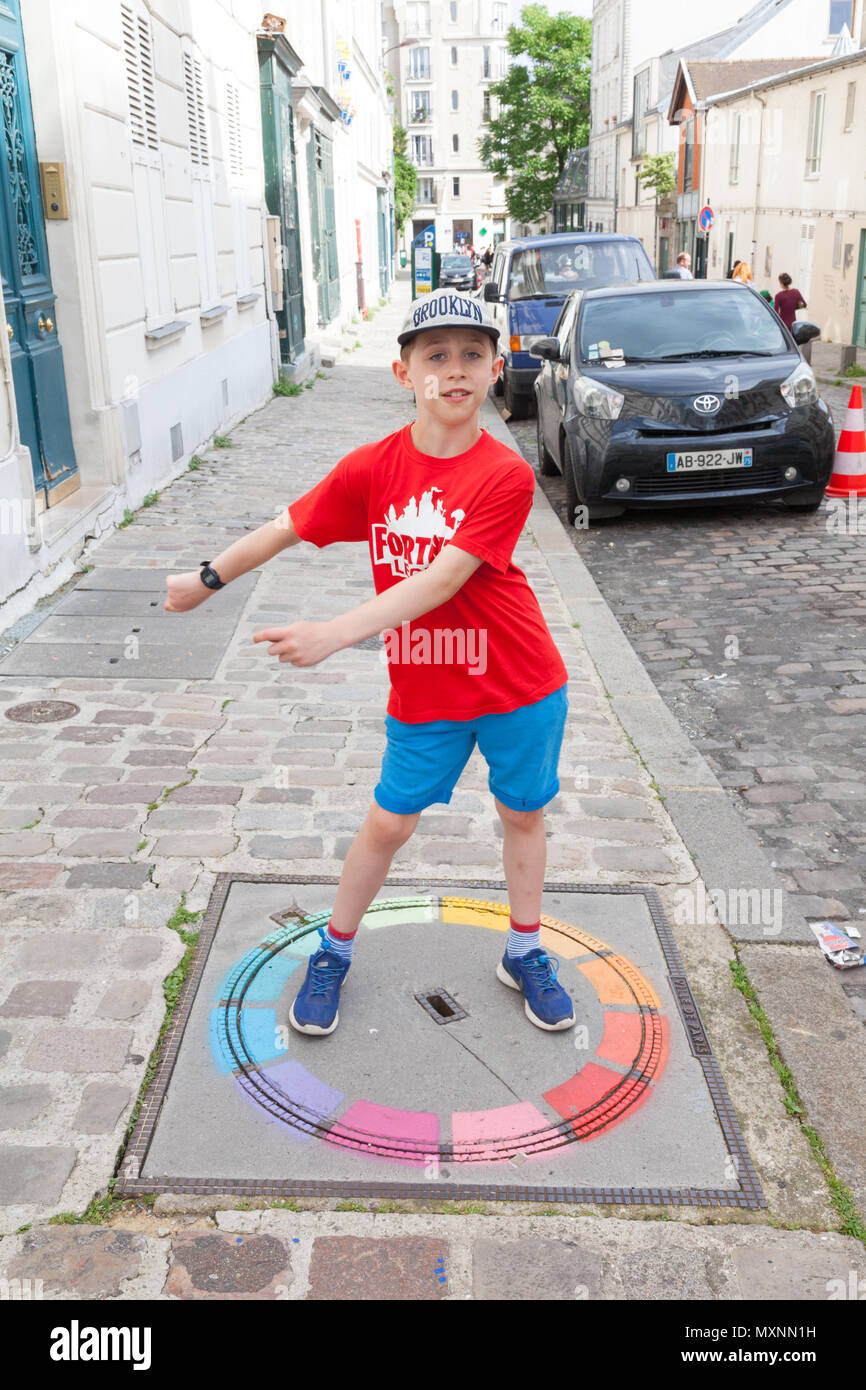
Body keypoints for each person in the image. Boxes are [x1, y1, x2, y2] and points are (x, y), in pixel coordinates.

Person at [163, 288, 574, 1038]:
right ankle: (333, 952)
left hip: (520, 681)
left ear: (494, 371)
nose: (455, 372)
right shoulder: (373, 468)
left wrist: (335, 632)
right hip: (428, 685)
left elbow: (443, 578)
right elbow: (287, 525)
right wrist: (207, 579)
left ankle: (523, 949)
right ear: (402, 371)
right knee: (387, 824)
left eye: (472, 356)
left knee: (522, 813)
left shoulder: (504, 474)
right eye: (437, 356)